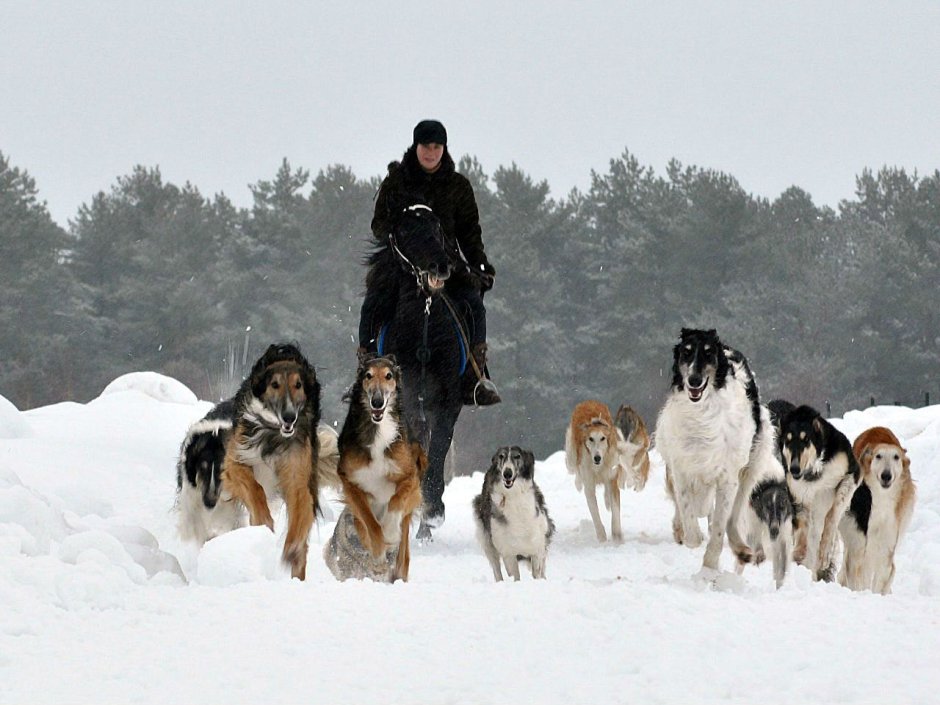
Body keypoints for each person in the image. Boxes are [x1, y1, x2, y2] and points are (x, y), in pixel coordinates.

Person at [357, 119, 500, 406]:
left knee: (473, 304)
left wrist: (480, 265)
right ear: (416, 146)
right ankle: (366, 371)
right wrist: (401, 227)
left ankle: (476, 377)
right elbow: (378, 226)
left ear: (444, 149)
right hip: (401, 264)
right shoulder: (397, 181)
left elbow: (470, 234)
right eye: (426, 146)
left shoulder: (458, 187)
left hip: (446, 265)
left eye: (436, 147)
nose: (431, 152)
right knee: (373, 303)